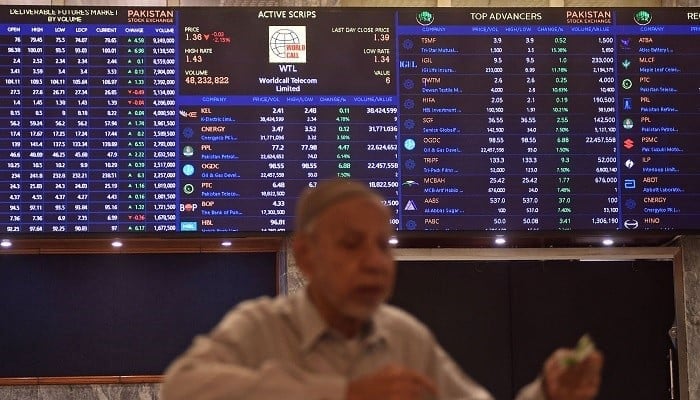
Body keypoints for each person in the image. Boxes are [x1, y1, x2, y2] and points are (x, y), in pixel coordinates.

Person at [161, 179, 603, 400]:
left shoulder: (406, 338)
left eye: (382, 246)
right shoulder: (261, 327)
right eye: (351, 244)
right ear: (306, 255)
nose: (373, 261)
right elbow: (183, 388)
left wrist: (547, 391)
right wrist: (344, 393)